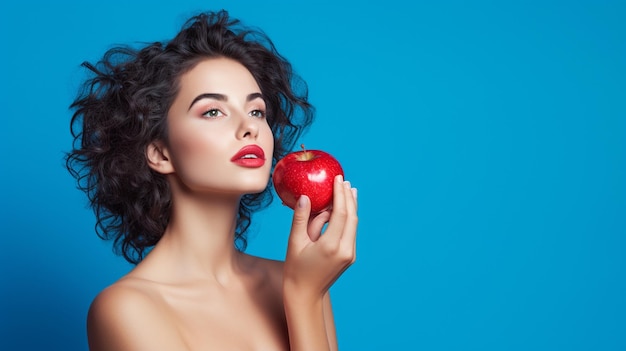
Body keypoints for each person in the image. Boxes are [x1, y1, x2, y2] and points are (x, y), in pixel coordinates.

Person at [65, 10, 358, 351]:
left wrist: (305, 295)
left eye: (256, 111)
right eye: (213, 111)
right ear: (160, 153)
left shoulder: (299, 279)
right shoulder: (126, 309)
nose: (250, 127)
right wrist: (304, 297)